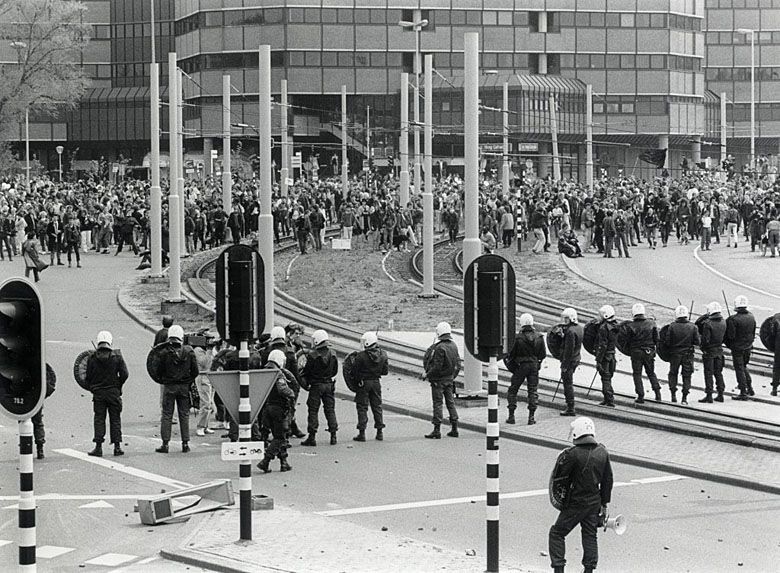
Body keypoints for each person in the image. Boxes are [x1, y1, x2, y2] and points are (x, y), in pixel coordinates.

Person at [548, 417, 613, 573]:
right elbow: (608, 480)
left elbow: (560, 479)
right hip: (594, 501)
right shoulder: (602, 452)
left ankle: (559, 569)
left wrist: (563, 501)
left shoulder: (572, 454)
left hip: (576, 502)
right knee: (590, 535)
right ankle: (589, 570)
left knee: (557, 533)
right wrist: (604, 504)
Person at [151, 325, 199, 453]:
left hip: (169, 387)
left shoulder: (164, 353)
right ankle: (185, 444)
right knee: (184, 415)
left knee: (167, 415)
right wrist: (187, 380)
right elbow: (195, 371)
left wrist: (164, 379)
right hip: (184, 387)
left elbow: (157, 370)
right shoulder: (189, 351)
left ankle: (165, 444)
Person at [85, 331, 129, 457]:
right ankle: (117, 447)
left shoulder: (92, 358)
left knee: (99, 419)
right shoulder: (117, 357)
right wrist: (118, 385)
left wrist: (93, 388)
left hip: (98, 394)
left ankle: (98, 447)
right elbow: (125, 374)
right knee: (115, 419)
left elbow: (87, 377)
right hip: (113, 393)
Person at [257, 349, 296, 473]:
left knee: (279, 436)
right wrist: (292, 393)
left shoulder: (264, 372)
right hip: (278, 408)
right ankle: (266, 460)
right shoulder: (277, 373)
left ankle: (283, 462)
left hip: (267, 408)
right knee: (279, 437)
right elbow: (282, 389)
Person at [504, 313, 546, 426]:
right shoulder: (539, 337)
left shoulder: (517, 338)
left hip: (520, 366)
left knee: (513, 390)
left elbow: (511, 355)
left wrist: (512, 366)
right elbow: (542, 354)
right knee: (532, 391)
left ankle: (511, 416)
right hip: (534, 366)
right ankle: (531, 417)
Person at [300, 329, 339, 446]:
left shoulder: (312, 356)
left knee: (313, 410)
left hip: (316, 386)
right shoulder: (333, 354)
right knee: (330, 409)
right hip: (329, 385)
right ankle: (333, 435)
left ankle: (312, 437)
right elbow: (335, 371)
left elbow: (306, 372)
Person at [423, 321, 461, 439]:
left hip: (438, 381)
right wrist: (452, 376)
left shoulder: (439, 348)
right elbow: (458, 364)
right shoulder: (453, 345)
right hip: (449, 380)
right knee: (450, 403)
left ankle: (437, 430)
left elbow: (437, 367)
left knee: (438, 404)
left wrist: (427, 375)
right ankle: (454, 428)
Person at [351, 331, 389, 442]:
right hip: (376, 383)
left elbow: (354, 372)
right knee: (377, 407)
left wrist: (359, 380)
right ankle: (379, 432)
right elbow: (385, 372)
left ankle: (362, 433)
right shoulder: (383, 354)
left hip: (364, 383)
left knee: (362, 407)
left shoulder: (361, 356)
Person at [622, 303, 662, 403]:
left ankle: (640, 396)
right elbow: (657, 339)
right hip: (649, 352)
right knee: (651, 372)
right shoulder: (652, 323)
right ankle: (658, 394)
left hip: (636, 353)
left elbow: (626, 341)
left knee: (637, 374)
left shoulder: (630, 326)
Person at [662, 305, 700, 404]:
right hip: (688, 355)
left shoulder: (672, 326)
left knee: (673, 374)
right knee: (687, 376)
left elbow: (667, 342)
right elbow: (697, 342)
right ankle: (684, 398)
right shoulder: (693, 327)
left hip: (675, 355)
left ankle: (673, 395)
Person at [725, 295, 756, 400]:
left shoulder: (733, 319)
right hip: (748, 347)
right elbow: (753, 332)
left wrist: (730, 345)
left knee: (739, 369)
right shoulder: (751, 316)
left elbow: (730, 336)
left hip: (738, 348)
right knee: (744, 367)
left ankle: (743, 392)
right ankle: (750, 388)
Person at [697, 301, 726, 403]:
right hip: (719, 351)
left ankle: (709, 395)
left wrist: (702, 346)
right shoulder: (723, 322)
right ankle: (720, 393)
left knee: (708, 373)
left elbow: (705, 340)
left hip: (709, 352)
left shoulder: (708, 324)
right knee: (718, 373)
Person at [559, 308, 583, 416]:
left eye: (566, 319)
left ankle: (570, 407)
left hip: (570, 360)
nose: (564, 321)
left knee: (567, 384)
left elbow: (569, 349)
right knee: (569, 382)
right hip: (576, 358)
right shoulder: (579, 328)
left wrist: (564, 365)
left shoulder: (570, 331)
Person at [595, 305, 618, 407]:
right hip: (612, 354)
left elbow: (602, 345)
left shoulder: (603, 328)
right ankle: (607, 398)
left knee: (605, 378)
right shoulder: (616, 326)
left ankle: (609, 399)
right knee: (608, 377)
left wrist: (598, 359)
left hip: (605, 356)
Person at [32, 364, 57, 459]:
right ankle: (40, 449)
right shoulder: (41, 362)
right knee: (38, 423)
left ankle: (26, 447)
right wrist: (44, 394)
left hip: (25, 399)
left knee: (24, 422)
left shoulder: (21, 362)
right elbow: (52, 377)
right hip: (37, 398)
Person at [194, 340, 216, 437]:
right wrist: (209, 350)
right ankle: (200, 426)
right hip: (202, 377)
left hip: (209, 376)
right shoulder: (198, 350)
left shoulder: (207, 351)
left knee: (210, 403)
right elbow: (205, 363)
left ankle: (205, 425)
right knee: (205, 403)